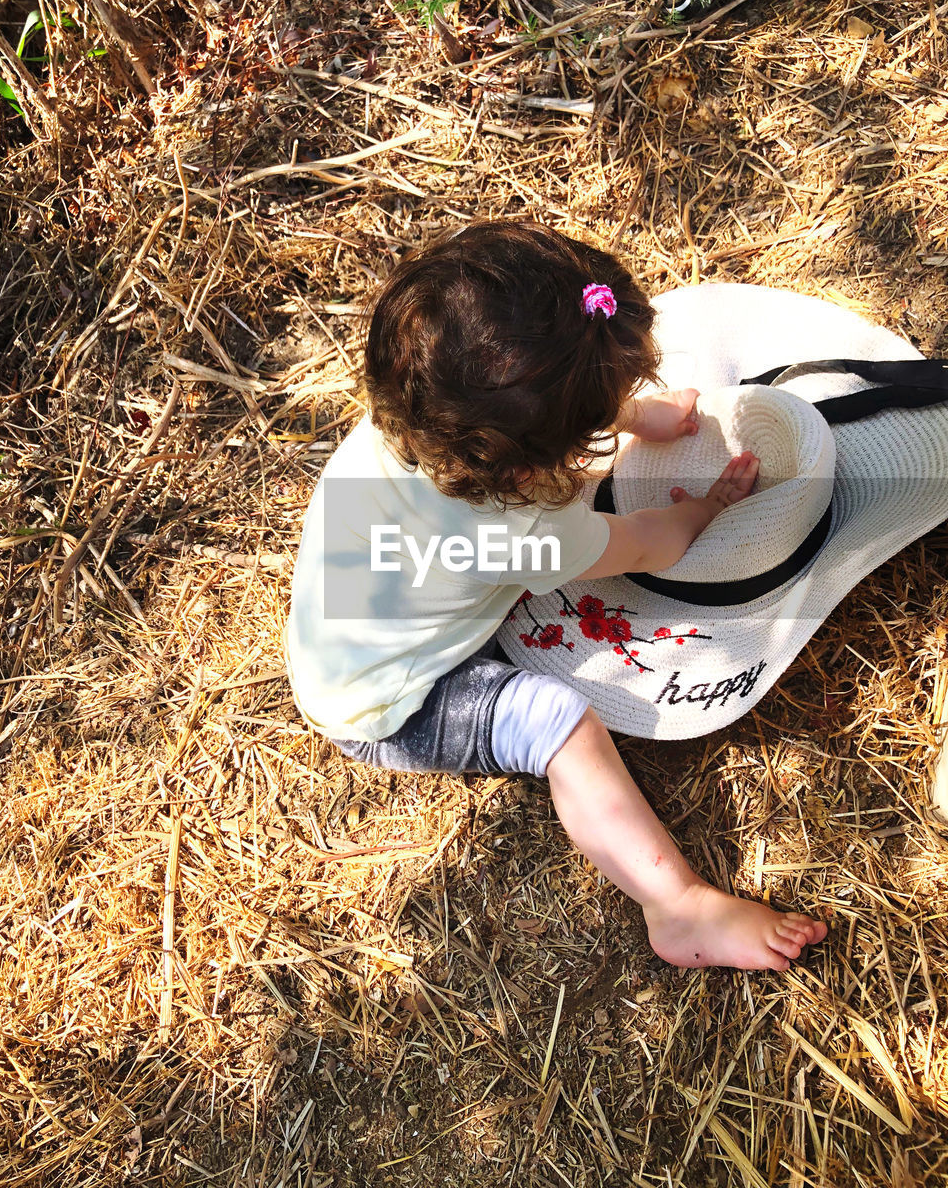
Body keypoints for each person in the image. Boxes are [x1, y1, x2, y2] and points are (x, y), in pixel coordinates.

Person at [285, 220, 827, 971]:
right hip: (392, 704)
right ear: (525, 473)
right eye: (607, 409)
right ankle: (675, 906)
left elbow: (531, 417)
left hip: (349, 628)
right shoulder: (521, 534)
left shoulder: (419, 415)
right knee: (561, 725)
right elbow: (649, 542)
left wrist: (638, 417)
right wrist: (706, 506)